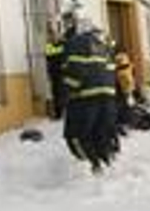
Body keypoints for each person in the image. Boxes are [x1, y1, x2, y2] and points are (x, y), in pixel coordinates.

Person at [60, 17, 121, 172]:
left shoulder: (76, 43)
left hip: (87, 96)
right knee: (102, 131)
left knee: (82, 133)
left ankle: (95, 165)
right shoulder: (102, 45)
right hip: (107, 96)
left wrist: (68, 91)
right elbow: (112, 71)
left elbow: (75, 70)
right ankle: (107, 162)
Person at [43, 16, 70, 120]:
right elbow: (48, 58)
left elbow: (63, 56)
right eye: (50, 34)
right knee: (56, 93)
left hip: (62, 72)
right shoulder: (50, 45)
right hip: (54, 73)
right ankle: (59, 113)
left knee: (63, 93)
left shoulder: (63, 43)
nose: (52, 36)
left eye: (53, 34)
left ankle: (65, 112)